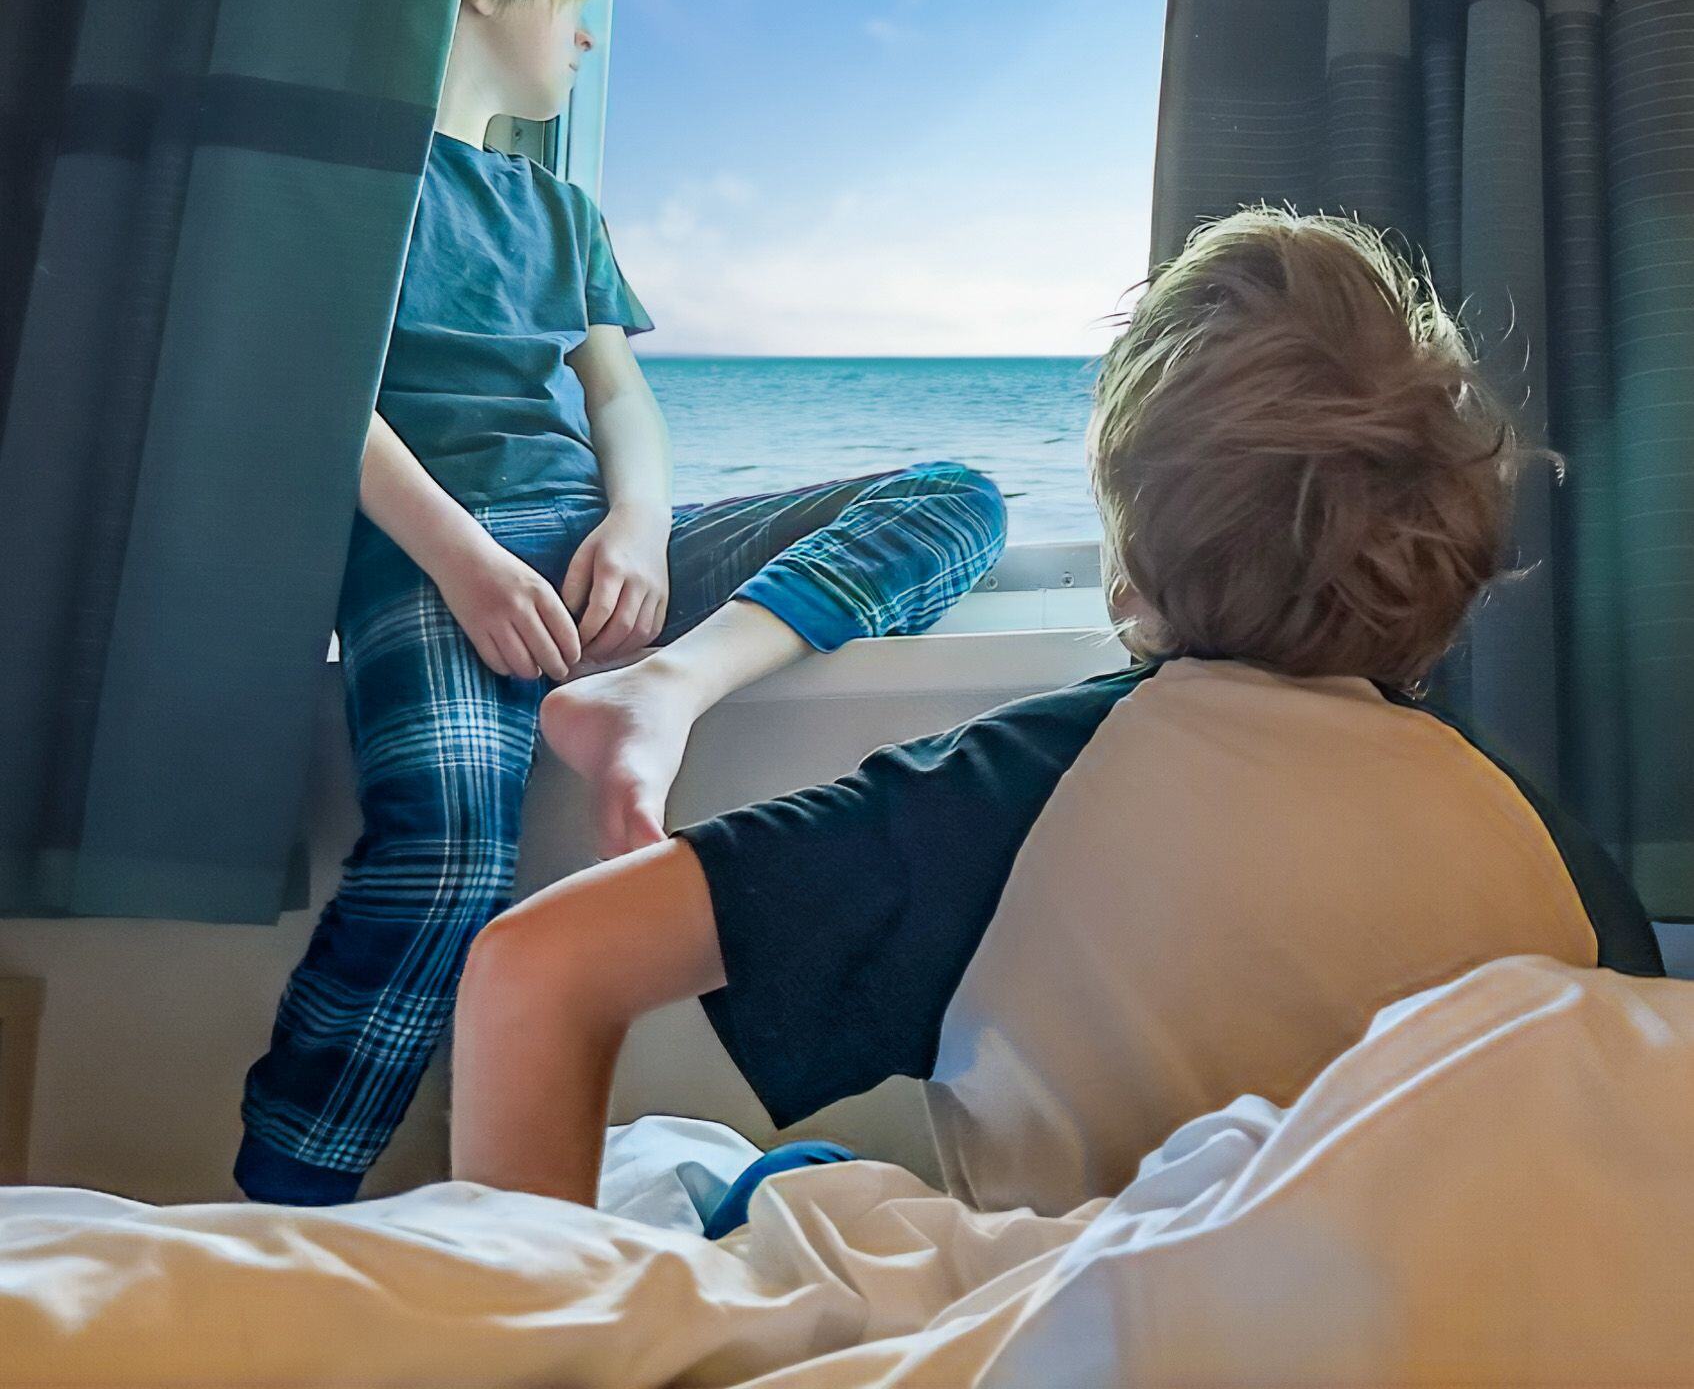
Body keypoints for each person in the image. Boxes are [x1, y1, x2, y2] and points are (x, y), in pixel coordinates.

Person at [448, 208, 1662, 1217]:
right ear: (1444, 577)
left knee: (732, 1178)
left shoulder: (1019, 794)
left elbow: (535, 968)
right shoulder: (1556, 855)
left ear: (1127, 561)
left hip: (1076, 1323)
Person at [235, 0, 1008, 1205]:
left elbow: (618, 396)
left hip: (598, 547)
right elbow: (327, 392)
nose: (587, 35)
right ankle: (284, 1207)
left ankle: (661, 693)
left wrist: (641, 530)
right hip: (437, 550)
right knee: (444, 857)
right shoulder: (344, 184)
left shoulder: (559, 210)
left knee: (958, 499)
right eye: (573, 0)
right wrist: (463, 560)